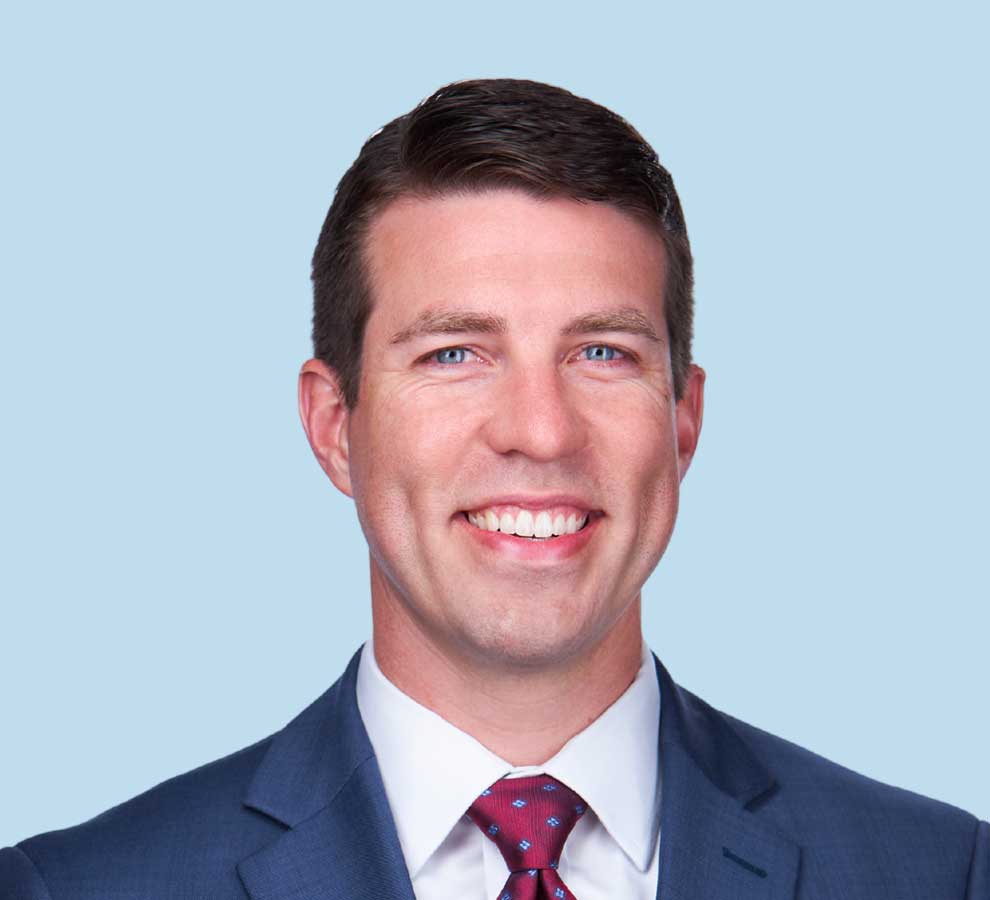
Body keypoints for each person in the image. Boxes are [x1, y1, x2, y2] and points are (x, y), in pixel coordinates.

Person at [1, 77, 985, 900]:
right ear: (334, 425)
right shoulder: (79, 888)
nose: (539, 430)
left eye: (603, 352)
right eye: (454, 353)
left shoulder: (940, 875)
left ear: (683, 418)